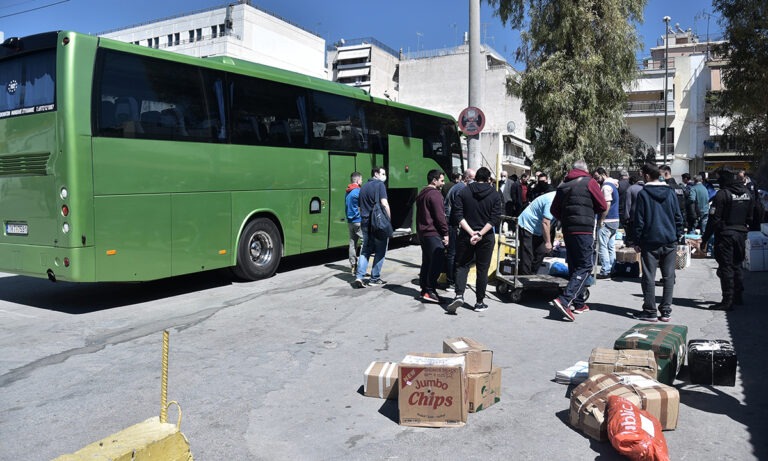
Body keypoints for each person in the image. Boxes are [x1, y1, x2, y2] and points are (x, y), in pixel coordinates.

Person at [549, 160, 607, 321]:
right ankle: (565, 300)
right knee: (586, 265)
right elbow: (602, 205)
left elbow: (554, 209)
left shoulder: (563, 185)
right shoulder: (590, 182)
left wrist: (566, 218)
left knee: (575, 265)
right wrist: (589, 211)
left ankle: (579, 303)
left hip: (568, 230)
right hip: (584, 229)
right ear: (586, 170)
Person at [632, 163, 684, 322]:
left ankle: (650, 311)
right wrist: (678, 234)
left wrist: (636, 240)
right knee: (669, 277)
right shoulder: (670, 192)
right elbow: (678, 216)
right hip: (669, 240)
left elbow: (639, 220)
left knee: (649, 276)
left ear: (647, 176)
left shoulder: (643, 194)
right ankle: (666, 311)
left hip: (650, 241)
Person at [447, 167, 502, 314]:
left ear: (475, 177)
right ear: (489, 178)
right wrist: (480, 234)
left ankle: (459, 294)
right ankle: (479, 302)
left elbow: (457, 215)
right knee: (482, 269)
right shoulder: (494, 194)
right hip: (486, 237)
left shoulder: (464, 191)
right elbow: (495, 218)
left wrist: (471, 232)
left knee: (462, 265)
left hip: (466, 235)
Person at [702, 168, 753, 310]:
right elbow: (752, 215)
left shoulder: (722, 195)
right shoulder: (747, 194)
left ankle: (727, 301)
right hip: (741, 234)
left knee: (726, 268)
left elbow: (713, 219)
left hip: (725, 236)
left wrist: (705, 239)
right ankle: (738, 296)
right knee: (737, 265)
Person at [416, 169, 449, 303]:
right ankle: (430, 290)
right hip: (432, 232)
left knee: (427, 261)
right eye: (441, 180)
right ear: (434, 181)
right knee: (436, 261)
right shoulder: (435, 195)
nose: (443, 182)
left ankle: (424, 289)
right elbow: (440, 216)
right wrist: (445, 233)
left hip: (423, 232)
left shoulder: (422, 193)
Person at [354, 167, 391, 288]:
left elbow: (360, 207)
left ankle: (359, 277)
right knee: (380, 250)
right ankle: (374, 278)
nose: (384, 176)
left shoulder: (363, 187)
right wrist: (388, 220)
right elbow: (384, 203)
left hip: (365, 222)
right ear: (376, 174)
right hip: (378, 223)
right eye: (383, 173)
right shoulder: (380, 185)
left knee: (365, 250)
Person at [444, 168, 475, 289]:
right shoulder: (462, 188)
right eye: (473, 178)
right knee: (453, 253)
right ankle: (451, 281)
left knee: (454, 253)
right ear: (467, 178)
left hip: (453, 223)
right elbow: (459, 209)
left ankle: (453, 280)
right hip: (454, 224)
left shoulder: (458, 187)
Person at [516, 190, 556, 275]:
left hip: (539, 228)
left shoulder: (564, 199)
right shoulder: (551, 200)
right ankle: (525, 281)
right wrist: (548, 242)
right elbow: (545, 222)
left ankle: (532, 276)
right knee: (527, 255)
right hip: (527, 224)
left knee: (540, 252)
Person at [594, 167, 620, 278]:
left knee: (602, 246)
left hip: (607, 220)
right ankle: (612, 268)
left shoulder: (606, 187)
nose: (596, 180)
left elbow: (607, 204)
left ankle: (605, 270)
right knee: (610, 246)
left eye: (597, 177)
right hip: (615, 220)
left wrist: (602, 220)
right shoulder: (613, 184)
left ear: (603, 174)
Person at [660, 165, 695, 231]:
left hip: (668, 222)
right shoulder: (679, 187)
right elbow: (682, 206)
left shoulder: (665, 188)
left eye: (659, 174)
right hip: (679, 221)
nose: (658, 177)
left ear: (666, 173)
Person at [345, 171, 363, 275]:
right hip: (358, 220)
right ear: (357, 180)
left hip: (350, 221)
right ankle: (362, 265)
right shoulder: (358, 191)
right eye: (361, 179)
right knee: (365, 242)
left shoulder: (347, 191)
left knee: (352, 243)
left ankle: (353, 265)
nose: (362, 181)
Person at [623, 175, 644, 246]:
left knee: (632, 237)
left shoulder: (630, 189)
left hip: (633, 216)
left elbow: (628, 204)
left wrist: (626, 217)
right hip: (645, 216)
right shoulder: (646, 188)